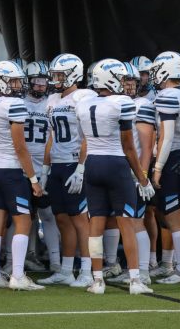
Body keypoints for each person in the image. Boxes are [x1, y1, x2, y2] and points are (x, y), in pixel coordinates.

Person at [77, 58, 155, 295]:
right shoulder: (122, 102)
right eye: (121, 78)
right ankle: (134, 280)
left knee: (96, 224)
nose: (125, 83)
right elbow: (128, 147)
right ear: (110, 78)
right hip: (115, 164)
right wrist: (142, 178)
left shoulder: (83, 102)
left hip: (92, 164)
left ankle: (97, 280)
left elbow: (85, 140)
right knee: (127, 223)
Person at [0, 59, 44, 291]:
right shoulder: (14, 105)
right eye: (13, 80)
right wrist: (33, 179)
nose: (17, 85)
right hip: (10, 168)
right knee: (23, 221)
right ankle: (17, 275)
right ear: (0, 82)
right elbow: (20, 147)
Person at [37, 53, 95, 287]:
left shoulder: (83, 97)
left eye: (60, 74)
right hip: (58, 164)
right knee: (62, 219)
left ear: (73, 74)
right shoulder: (52, 99)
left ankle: (88, 271)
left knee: (81, 220)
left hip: (74, 163)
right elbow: (51, 136)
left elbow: (88, 135)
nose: (56, 79)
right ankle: (66, 270)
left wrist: (81, 167)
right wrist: (44, 169)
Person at [148, 51, 180, 285]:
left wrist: (157, 167)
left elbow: (166, 137)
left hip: (173, 155)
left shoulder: (167, 95)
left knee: (174, 215)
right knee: (177, 214)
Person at [23, 61, 60, 272]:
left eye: (43, 82)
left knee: (48, 214)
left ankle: (55, 261)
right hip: (23, 166)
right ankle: (19, 258)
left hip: (46, 166)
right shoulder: (18, 103)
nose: (40, 86)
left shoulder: (52, 103)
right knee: (23, 216)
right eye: (35, 82)